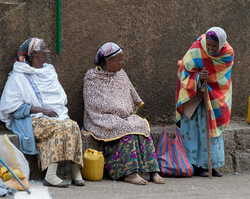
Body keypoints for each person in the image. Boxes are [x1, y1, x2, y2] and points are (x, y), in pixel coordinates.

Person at [0, 38, 84, 188]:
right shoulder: (18, 76)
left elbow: (59, 102)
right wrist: (41, 110)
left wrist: (58, 115)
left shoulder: (49, 73)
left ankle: (75, 170)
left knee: (72, 125)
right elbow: (11, 107)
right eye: (45, 49)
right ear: (36, 54)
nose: (48, 52)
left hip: (54, 116)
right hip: (31, 119)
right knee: (60, 128)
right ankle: (50, 175)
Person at [83, 42, 163, 185]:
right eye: (120, 60)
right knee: (125, 128)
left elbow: (130, 95)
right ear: (109, 61)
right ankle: (129, 173)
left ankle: (153, 171)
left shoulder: (121, 74)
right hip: (102, 118)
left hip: (123, 116)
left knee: (141, 124)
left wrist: (123, 112)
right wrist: (117, 111)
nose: (123, 63)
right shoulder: (92, 77)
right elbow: (94, 104)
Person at [175, 27, 234, 177]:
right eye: (208, 45)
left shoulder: (227, 54)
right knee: (194, 131)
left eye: (214, 46)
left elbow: (221, 76)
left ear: (221, 44)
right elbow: (184, 69)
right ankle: (194, 165)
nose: (210, 48)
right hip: (194, 97)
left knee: (210, 131)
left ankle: (211, 166)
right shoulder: (197, 48)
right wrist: (198, 78)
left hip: (214, 98)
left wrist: (209, 79)